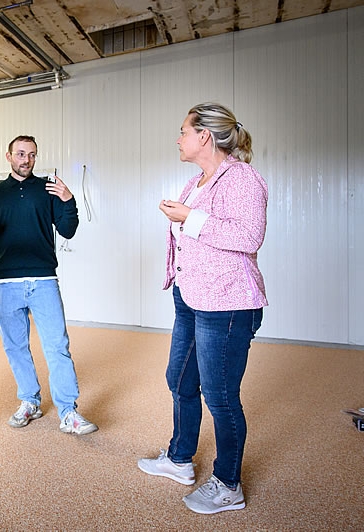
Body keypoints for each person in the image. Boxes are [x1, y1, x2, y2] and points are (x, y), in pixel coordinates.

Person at [138, 103, 268, 514]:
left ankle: (229, 484)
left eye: (183, 131)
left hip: (227, 303)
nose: (178, 139)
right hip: (191, 296)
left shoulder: (242, 178)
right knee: (179, 378)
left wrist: (190, 217)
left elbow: (249, 236)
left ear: (204, 136)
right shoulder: (196, 181)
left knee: (221, 396)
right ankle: (179, 460)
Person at [0, 135, 98, 435]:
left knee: (57, 346)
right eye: (20, 154)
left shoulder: (47, 191)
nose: (26, 160)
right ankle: (29, 401)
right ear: (8, 156)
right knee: (16, 347)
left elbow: (68, 229)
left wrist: (68, 200)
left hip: (43, 280)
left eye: (31, 155)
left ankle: (68, 412)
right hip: (5, 283)